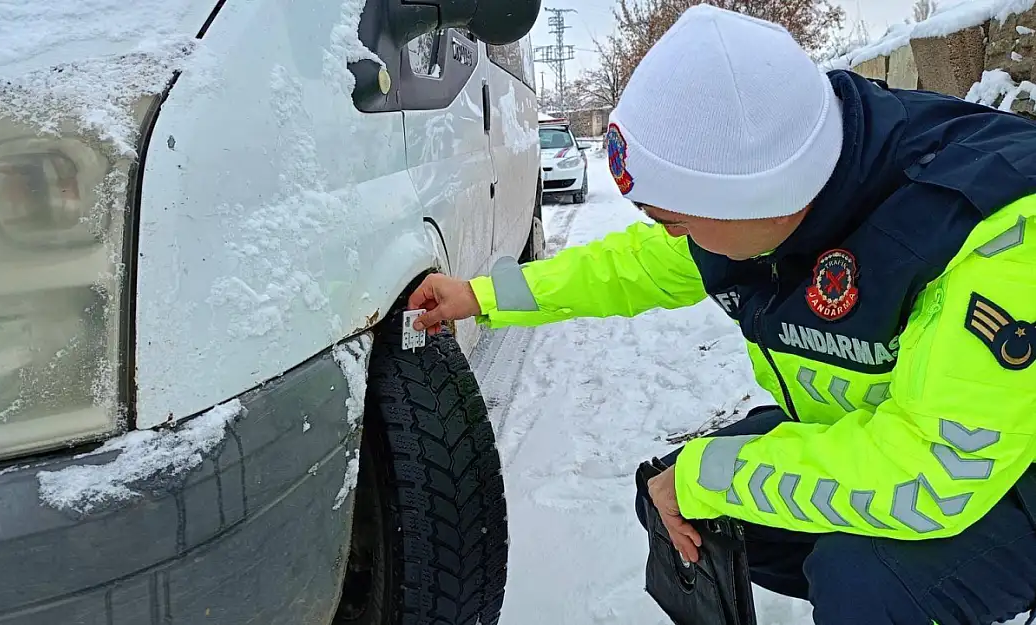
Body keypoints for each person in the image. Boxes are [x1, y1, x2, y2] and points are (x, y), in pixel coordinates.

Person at [407, 4, 1036, 624]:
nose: (669, 237)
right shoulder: (769, 202)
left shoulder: (995, 233)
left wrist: (705, 476)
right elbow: (627, 267)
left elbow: (935, 471)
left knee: (863, 578)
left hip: (1005, 479)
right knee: (693, 499)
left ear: (749, 197)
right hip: (892, 435)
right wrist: (481, 297)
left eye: (673, 219)